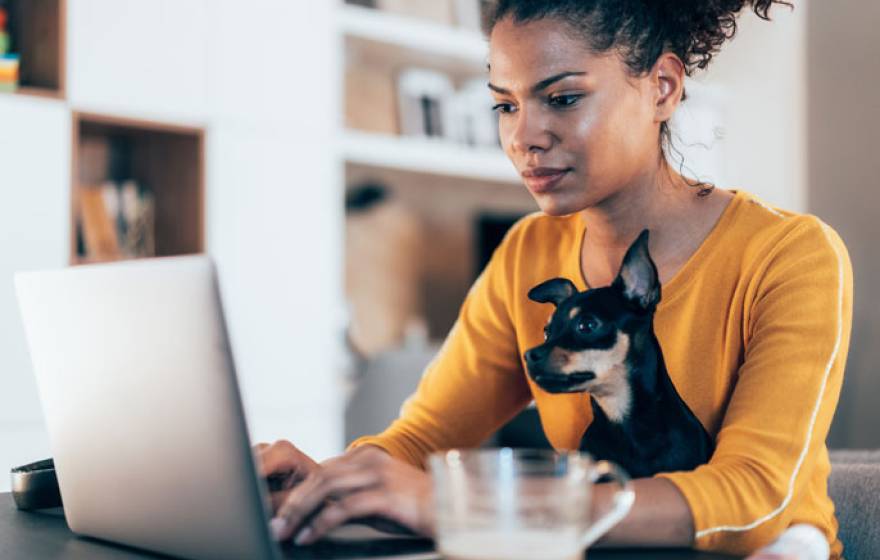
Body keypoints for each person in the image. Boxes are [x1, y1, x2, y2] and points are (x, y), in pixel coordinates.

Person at [260, 1, 853, 557]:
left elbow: (755, 501)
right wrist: (327, 486)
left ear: (662, 89)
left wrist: (466, 506)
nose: (524, 138)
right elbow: (422, 442)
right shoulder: (527, 253)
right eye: (506, 105)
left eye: (563, 98)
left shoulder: (790, 255)